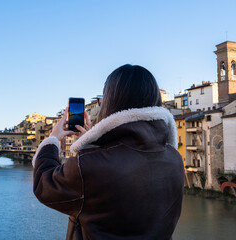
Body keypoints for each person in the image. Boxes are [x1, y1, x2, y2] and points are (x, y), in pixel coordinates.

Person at [32, 64, 184, 240]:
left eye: (102, 98)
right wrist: (93, 142)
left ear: (112, 102)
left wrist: (52, 139)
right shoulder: (174, 159)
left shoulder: (89, 166)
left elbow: (44, 183)